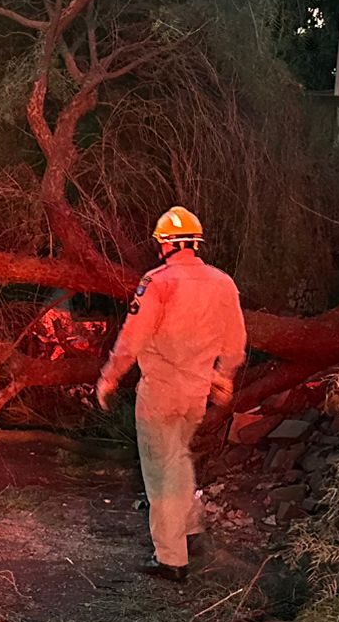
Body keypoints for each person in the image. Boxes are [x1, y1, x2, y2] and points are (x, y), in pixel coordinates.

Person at [96, 206, 246, 583]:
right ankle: (191, 531)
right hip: (196, 393)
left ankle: (171, 559)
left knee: (161, 473)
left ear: (165, 244)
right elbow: (235, 343)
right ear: (195, 243)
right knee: (179, 458)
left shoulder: (158, 282)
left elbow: (132, 339)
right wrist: (223, 377)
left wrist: (109, 377)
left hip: (160, 393)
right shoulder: (222, 283)